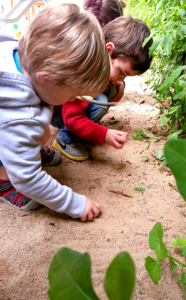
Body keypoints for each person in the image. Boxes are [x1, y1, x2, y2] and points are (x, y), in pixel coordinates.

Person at [0, 3, 110, 221]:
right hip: (9, 128)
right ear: (46, 77)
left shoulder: (17, 52)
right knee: (27, 146)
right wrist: (74, 204)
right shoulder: (20, 116)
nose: (73, 100)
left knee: (41, 132)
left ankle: (23, 153)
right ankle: (3, 180)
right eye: (72, 94)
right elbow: (28, 179)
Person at [52, 16, 153, 161]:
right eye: (122, 73)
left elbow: (112, 78)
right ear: (109, 50)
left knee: (110, 91)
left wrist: (120, 84)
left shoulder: (100, 64)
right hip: (60, 113)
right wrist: (104, 134)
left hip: (69, 106)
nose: (122, 79)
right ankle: (66, 138)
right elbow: (72, 118)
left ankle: (84, 129)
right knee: (100, 103)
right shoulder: (84, 75)